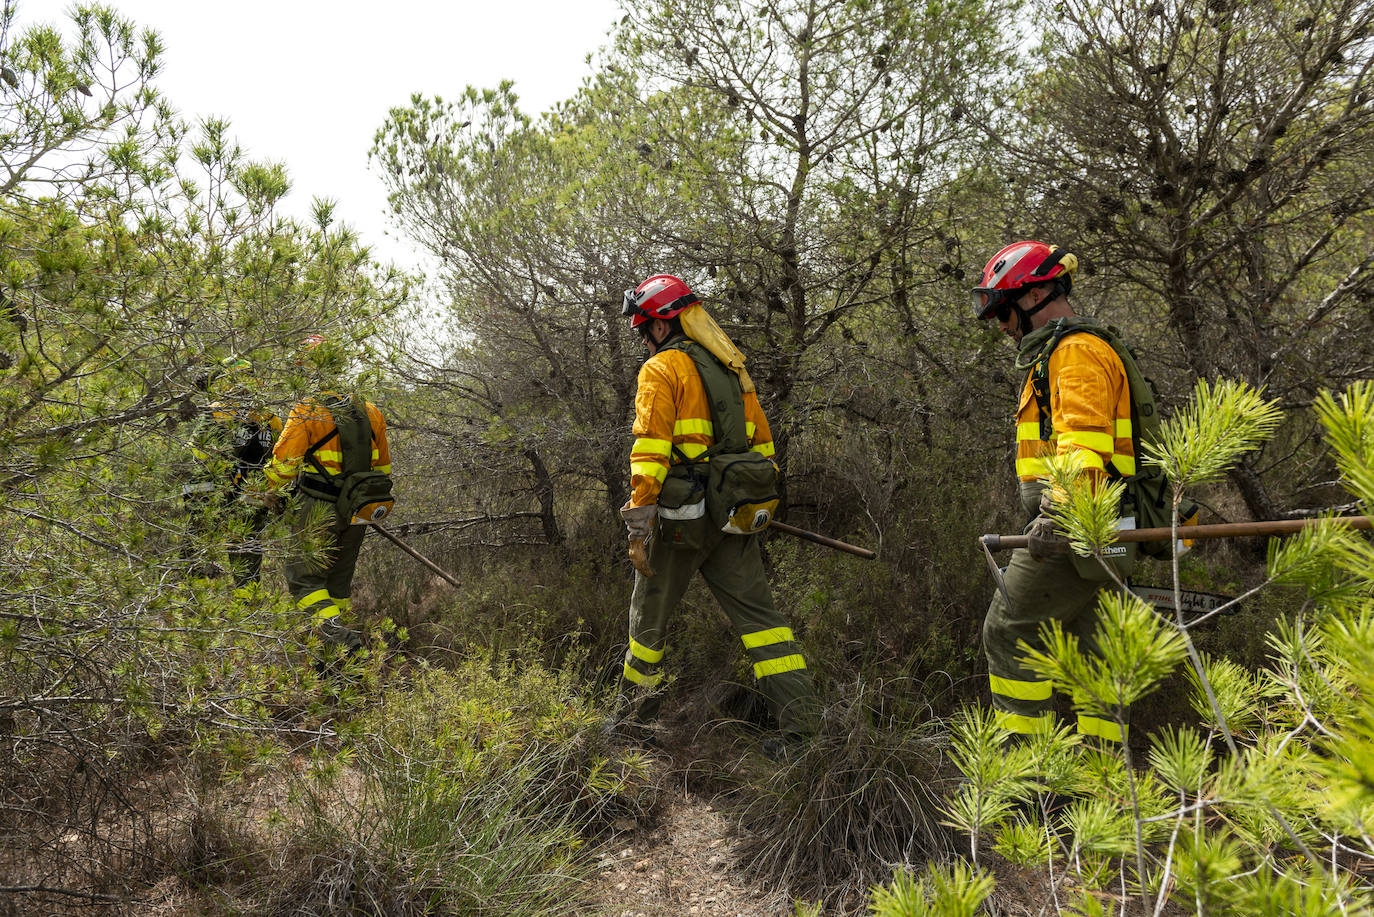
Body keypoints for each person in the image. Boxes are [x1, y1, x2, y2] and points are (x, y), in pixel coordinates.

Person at [613, 273, 818, 755]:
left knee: (648, 622)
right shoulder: (733, 370)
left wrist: (639, 526)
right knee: (763, 622)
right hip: (733, 518)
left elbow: (649, 455)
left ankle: (631, 727)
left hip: (681, 522)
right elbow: (764, 448)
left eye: (644, 327)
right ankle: (805, 731)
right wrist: (745, 505)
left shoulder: (661, 370)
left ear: (663, 325)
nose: (643, 338)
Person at [971, 241, 1135, 747]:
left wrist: (1055, 518)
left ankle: (1023, 780)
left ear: (1038, 292)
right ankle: (1103, 781)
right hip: (1102, 523)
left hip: (1076, 523)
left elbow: (1084, 443)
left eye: (1003, 309)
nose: (1001, 324)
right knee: (1096, 652)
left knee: (1007, 631)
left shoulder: (1076, 352)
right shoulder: (1063, 353)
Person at [260, 335, 392, 653]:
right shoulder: (372, 412)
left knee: (305, 580)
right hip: (358, 511)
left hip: (316, 509)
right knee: (337, 586)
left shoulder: (308, 411)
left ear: (309, 369)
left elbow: (284, 466)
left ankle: (342, 643)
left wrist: (267, 493)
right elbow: (384, 471)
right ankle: (330, 665)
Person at [182, 356, 282, 595]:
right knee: (246, 553)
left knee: (197, 550)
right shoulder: (271, 418)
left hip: (211, 493)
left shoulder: (216, 411)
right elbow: (278, 458)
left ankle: (192, 604)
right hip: (249, 494)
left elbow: (196, 452)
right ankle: (246, 604)